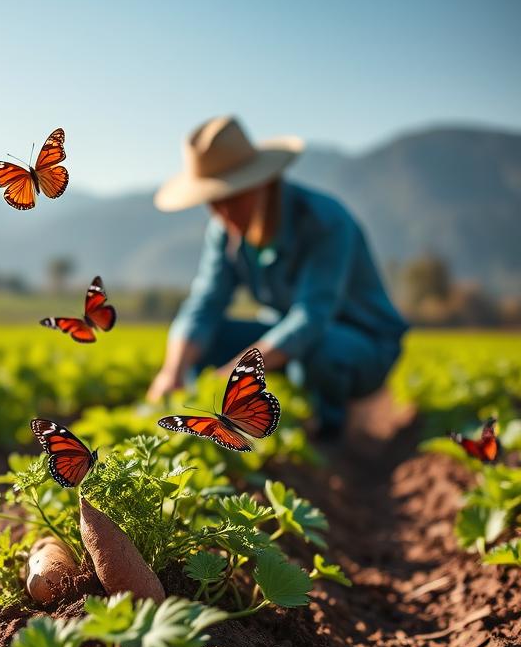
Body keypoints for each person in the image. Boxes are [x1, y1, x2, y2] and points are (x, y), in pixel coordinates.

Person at [145, 115, 409, 438]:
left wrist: (230, 379)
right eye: (213, 202)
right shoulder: (225, 231)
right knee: (206, 343)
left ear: (260, 183)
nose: (223, 213)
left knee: (317, 354)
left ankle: (333, 432)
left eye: (232, 197)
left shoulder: (324, 221)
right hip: (291, 338)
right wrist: (173, 372)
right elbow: (205, 303)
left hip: (362, 344)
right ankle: (237, 428)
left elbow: (311, 318)